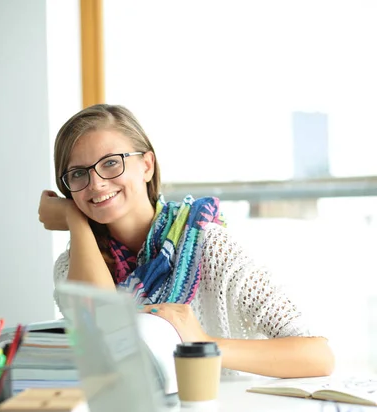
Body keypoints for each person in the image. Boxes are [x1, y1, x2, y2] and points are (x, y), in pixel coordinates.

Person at [39, 104, 334, 378]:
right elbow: (107, 345)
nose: (96, 183)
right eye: (78, 174)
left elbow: (318, 356)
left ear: (147, 165)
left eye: (111, 163)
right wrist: (75, 221)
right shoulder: (71, 265)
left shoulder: (208, 245)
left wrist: (200, 344)